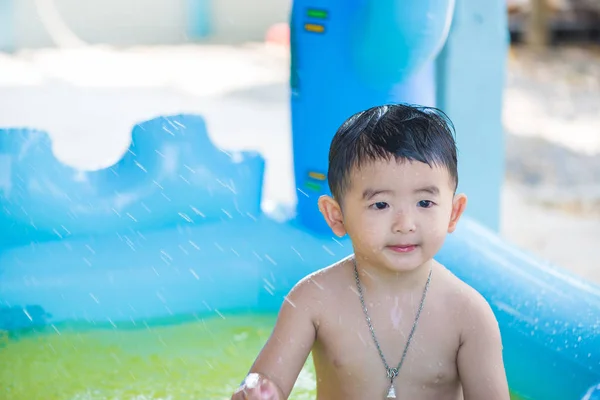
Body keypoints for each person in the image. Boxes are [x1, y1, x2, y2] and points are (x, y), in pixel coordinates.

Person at [231, 104, 510, 400]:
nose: (405, 225)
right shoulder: (313, 300)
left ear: (453, 213)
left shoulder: (468, 315)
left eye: (425, 203)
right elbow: (267, 381)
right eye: (381, 205)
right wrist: (257, 391)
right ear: (336, 216)